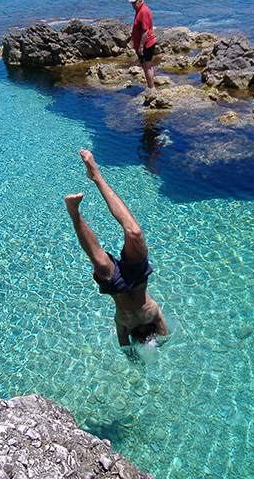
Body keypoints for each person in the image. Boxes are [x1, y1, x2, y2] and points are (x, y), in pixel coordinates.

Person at [65, 150, 168, 355]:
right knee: (135, 233)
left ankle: (74, 213)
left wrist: (135, 363)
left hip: (118, 288)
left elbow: (125, 347)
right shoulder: (155, 315)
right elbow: (165, 336)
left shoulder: (125, 327)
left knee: (101, 263)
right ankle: (96, 176)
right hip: (138, 279)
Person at [129, 0, 156, 90]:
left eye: (134, 2)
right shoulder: (139, 10)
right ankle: (151, 87)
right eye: (132, 3)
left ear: (140, 0)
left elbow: (146, 30)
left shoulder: (143, 11)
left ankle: (151, 88)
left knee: (146, 67)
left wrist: (141, 46)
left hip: (146, 45)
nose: (133, 4)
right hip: (143, 44)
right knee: (146, 67)